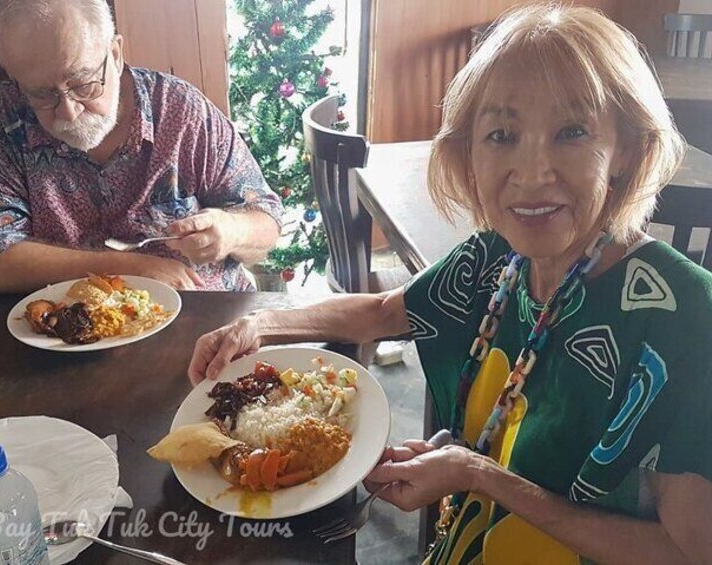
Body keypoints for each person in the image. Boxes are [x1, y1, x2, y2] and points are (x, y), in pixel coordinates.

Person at [187, 5, 712, 563]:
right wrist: (259, 324)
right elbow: (385, 311)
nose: (532, 173)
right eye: (502, 135)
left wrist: (478, 475)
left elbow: (685, 552)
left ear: (626, 148)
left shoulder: (687, 321)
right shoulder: (498, 256)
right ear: (467, 151)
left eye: (572, 131)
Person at [0, 0, 283, 293]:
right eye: (41, 93)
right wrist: (128, 268)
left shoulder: (180, 110)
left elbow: (266, 222)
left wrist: (230, 230)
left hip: (204, 321)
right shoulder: (2, 117)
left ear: (115, 54)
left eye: (82, 82)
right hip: (74, 338)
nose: (68, 111)